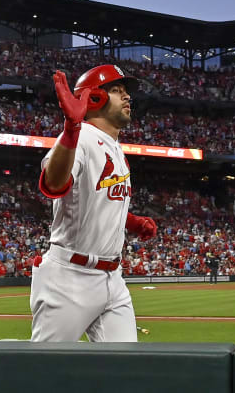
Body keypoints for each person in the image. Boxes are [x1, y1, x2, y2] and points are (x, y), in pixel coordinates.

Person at [31, 65, 157, 342]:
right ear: (95, 98)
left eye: (127, 93)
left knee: (125, 371)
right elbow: (53, 183)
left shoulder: (114, 145)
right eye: (117, 91)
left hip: (113, 278)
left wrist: (132, 221)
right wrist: (71, 130)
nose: (127, 98)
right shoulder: (82, 138)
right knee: (42, 372)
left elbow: (97, 198)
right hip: (70, 277)